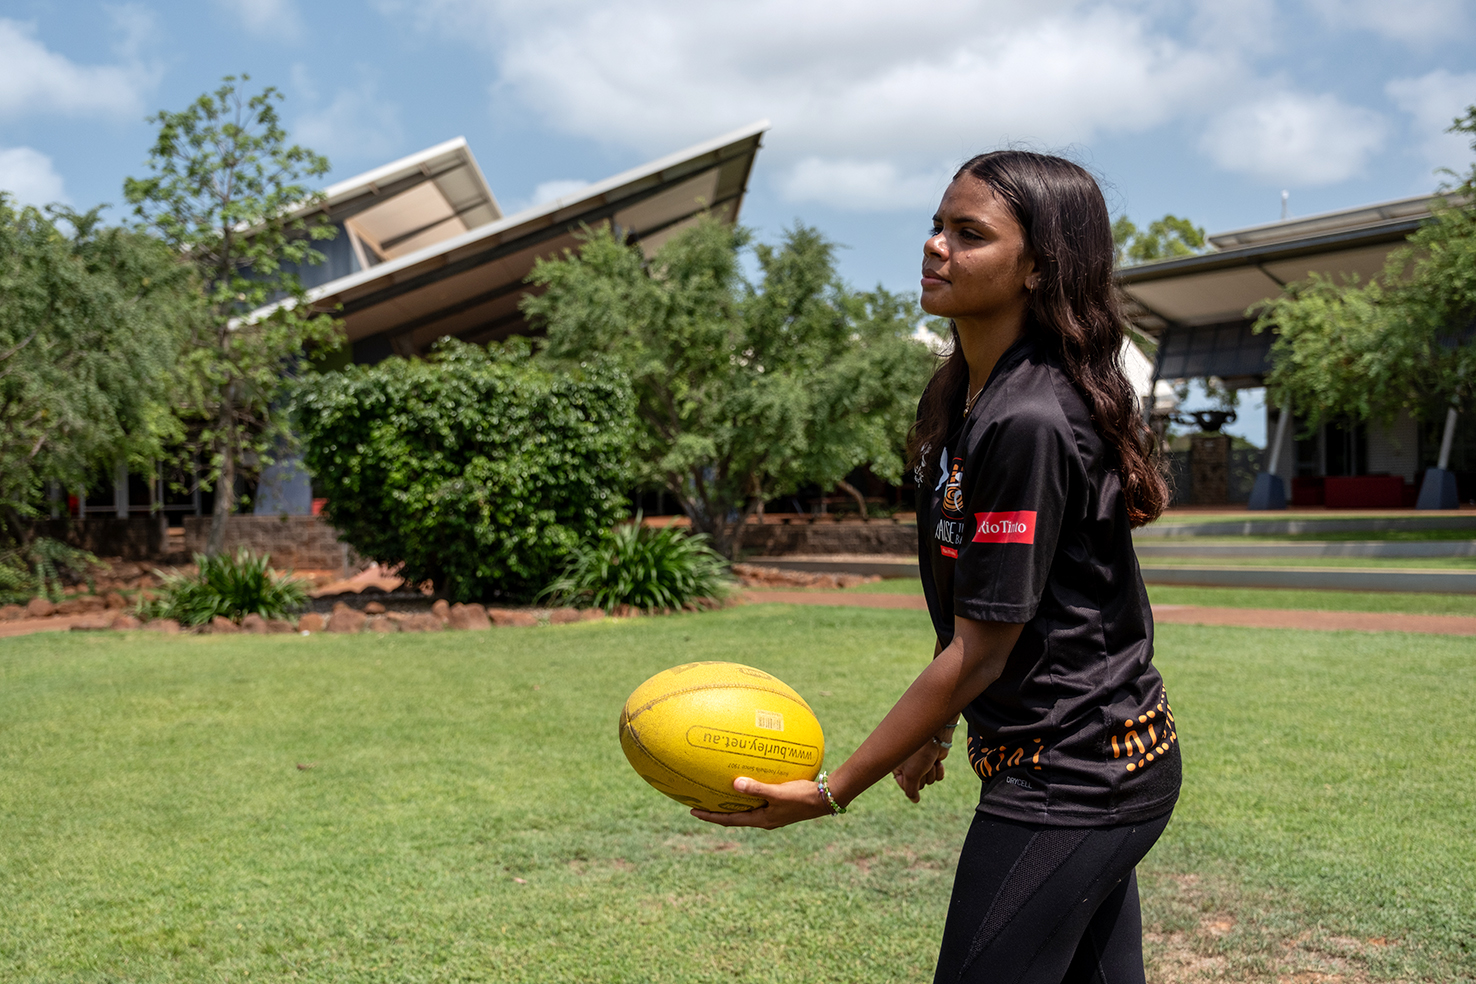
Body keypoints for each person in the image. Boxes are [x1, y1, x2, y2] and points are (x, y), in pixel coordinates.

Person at [694, 150, 1179, 984]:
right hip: (1088, 762)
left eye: (969, 233)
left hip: (1076, 777)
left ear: (1039, 267)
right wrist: (940, 725)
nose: (935, 245)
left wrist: (833, 790)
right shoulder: (960, 399)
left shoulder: (1030, 419)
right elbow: (976, 597)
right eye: (936, 226)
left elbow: (981, 651)